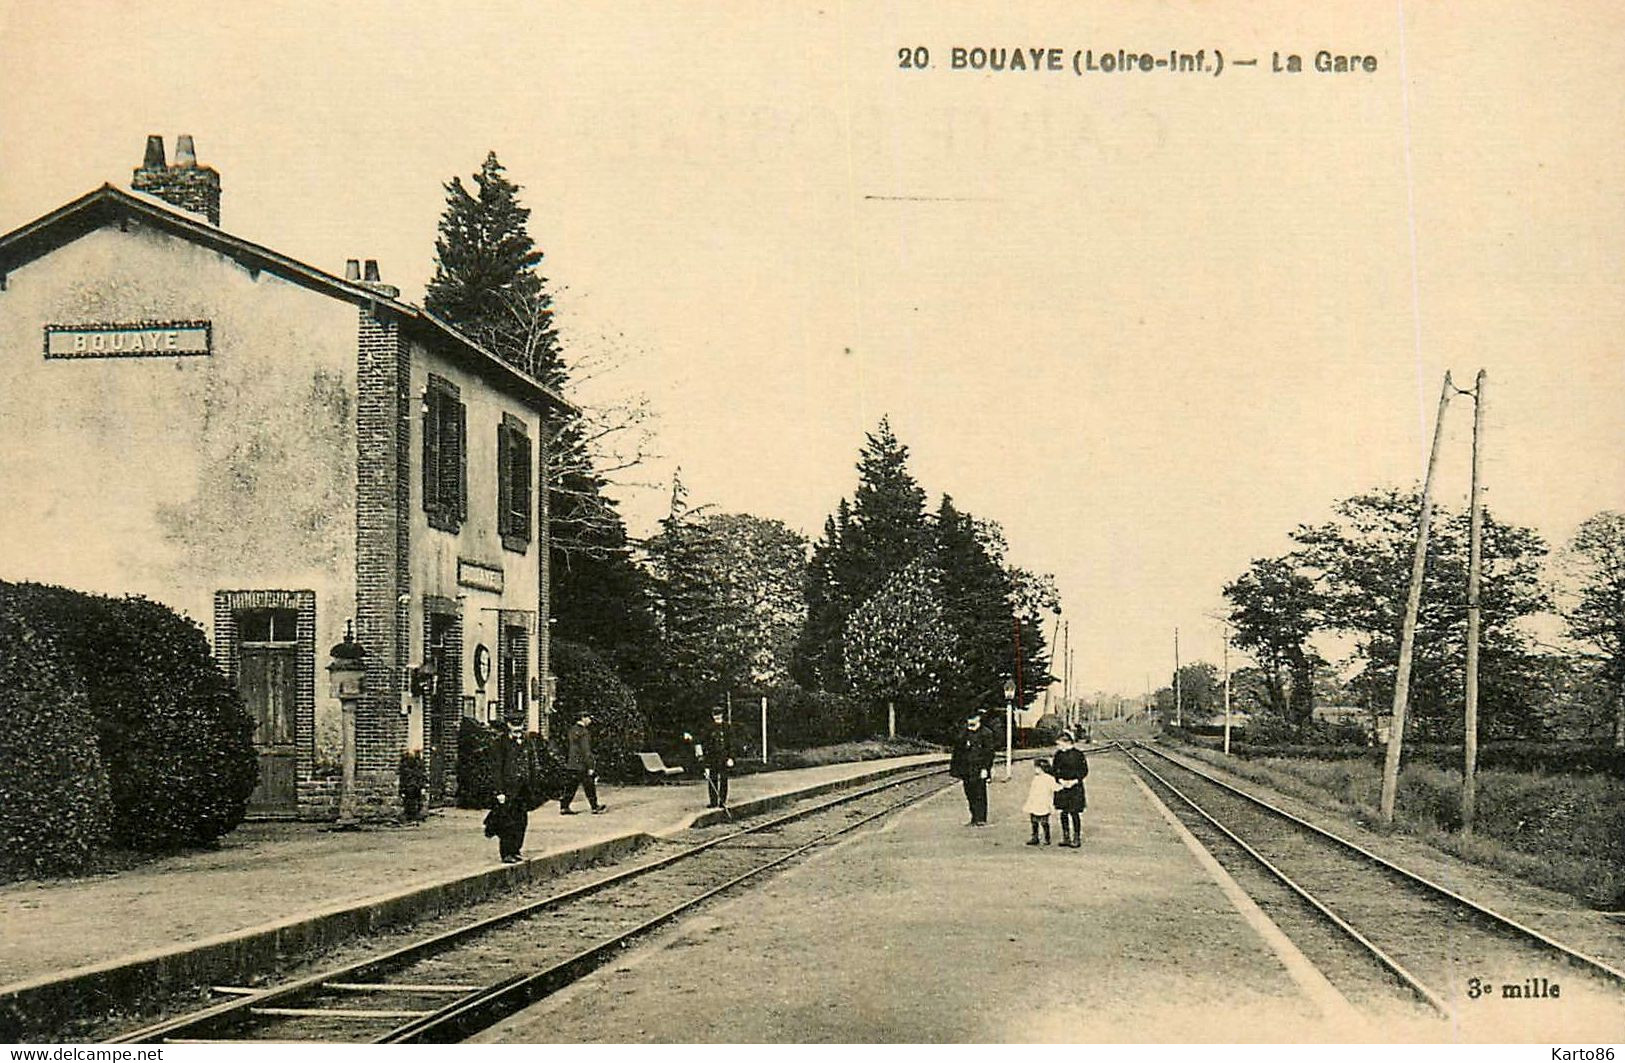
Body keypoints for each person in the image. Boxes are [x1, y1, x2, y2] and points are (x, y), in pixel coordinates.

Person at [492, 718, 536, 863]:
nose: (518, 730)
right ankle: (506, 853)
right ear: (508, 726)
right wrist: (499, 791)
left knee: (521, 820)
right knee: (507, 821)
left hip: (523, 788)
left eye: (520, 726)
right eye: (514, 726)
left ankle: (516, 849)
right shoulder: (501, 743)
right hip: (508, 789)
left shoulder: (527, 741)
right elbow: (497, 768)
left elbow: (531, 762)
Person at [949, 711, 998, 826]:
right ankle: (974, 817)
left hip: (979, 767)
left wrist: (986, 768)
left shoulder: (986, 733)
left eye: (973, 718)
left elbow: (989, 752)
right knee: (969, 792)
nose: (970, 721)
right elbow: (957, 746)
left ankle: (981, 818)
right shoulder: (964, 732)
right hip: (966, 768)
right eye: (969, 719)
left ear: (979, 719)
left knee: (980, 792)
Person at [560, 711, 607, 815]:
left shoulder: (572, 730)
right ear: (583, 718)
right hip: (582, 764)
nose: (590, 721)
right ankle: (594, 807)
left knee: (570, 786)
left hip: (572, 763)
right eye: (589, 718)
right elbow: (586, 750)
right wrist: (590, 766)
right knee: (589, 786)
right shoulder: (584, 732)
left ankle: (564, 807)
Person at [1051, 730, 1089, 848]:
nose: (1058, 747)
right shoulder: (1058, 755)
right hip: (1062, 786)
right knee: (1063, 812)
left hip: (1075, 787)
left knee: (1074, 812)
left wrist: (1074, 781)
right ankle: (1066, 836)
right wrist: (1060, 780)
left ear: (1066, 742)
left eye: (1060, 744)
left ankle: (1076, 837)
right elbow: (1054, 770)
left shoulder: (1078, 755)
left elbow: (1084, 771)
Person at [699, 706, 734, 808]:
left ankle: (722, 801)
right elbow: (705, 743)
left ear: (722, 715)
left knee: (724, 779)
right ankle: (713, 802)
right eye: (715, 715)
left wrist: (731, 757)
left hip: (724, 756)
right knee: (712, 779)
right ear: (712, 716)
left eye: (719, 714)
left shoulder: (727, 727)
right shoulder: (709, 728)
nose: (717, 717)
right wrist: (705, 759)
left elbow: (731, 743)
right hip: (712, 757)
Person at [1022, 757, 1059, 846]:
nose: (1036, 770)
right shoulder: (1036, 778)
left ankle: (1047, 838)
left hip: (1044, 801)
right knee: (1034, 820)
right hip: (1035, 801)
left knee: (1044, 821)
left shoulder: (1049, 778)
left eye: (1037, 768)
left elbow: (1055, 788)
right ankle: (1035, 836)